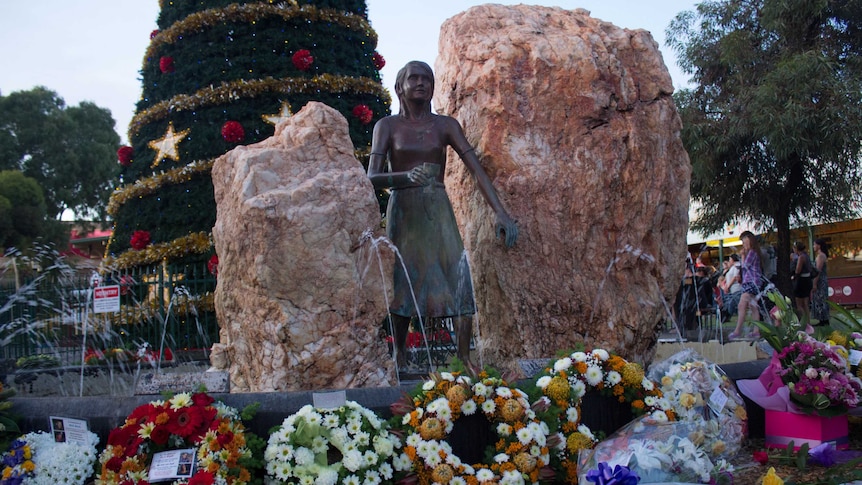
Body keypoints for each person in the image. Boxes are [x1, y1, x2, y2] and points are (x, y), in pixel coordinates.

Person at [367, 61, 519, 369]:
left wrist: (501, 213)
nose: (421, 83)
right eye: (414, 78)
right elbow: (370, 177)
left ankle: (463, 359)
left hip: (438, 207)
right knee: (403, 278)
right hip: (404, 209)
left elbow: (476, 170)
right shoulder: (387, 126)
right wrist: (403, 177)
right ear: (400, 87)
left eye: (427, 78)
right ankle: (400, 356)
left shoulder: (446, 125)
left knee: (457, 273)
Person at [729, 231, 762, 340]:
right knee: (753, 306)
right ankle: (756, 331)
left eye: (744, 243)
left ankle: (738, 330)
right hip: (754, 282)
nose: (743, 245)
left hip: (751, 282)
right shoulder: (754, 252)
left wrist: (742, 255)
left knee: (742, 305)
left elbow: (745, 266)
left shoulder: (752, 252)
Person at [790, 241, 813, 325]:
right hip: (808, 280)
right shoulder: (807, 256)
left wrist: (794, 276)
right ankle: (808, 322)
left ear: (796, 249)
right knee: (805, 303)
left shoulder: (801, 257)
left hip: (801, 281)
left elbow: (798, 270)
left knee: (799, 303)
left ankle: (804, 322)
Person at [811, 238, 830, 324]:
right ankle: (822, 318)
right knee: (821, 298)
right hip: (822, 280)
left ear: (819, 246)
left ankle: (823, 318)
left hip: (820, 281)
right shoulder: (821, 255)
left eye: (814, 244)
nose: (813, 246)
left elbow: (817, 271)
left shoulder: (821, 256)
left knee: (820, 299)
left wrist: (814, 284)